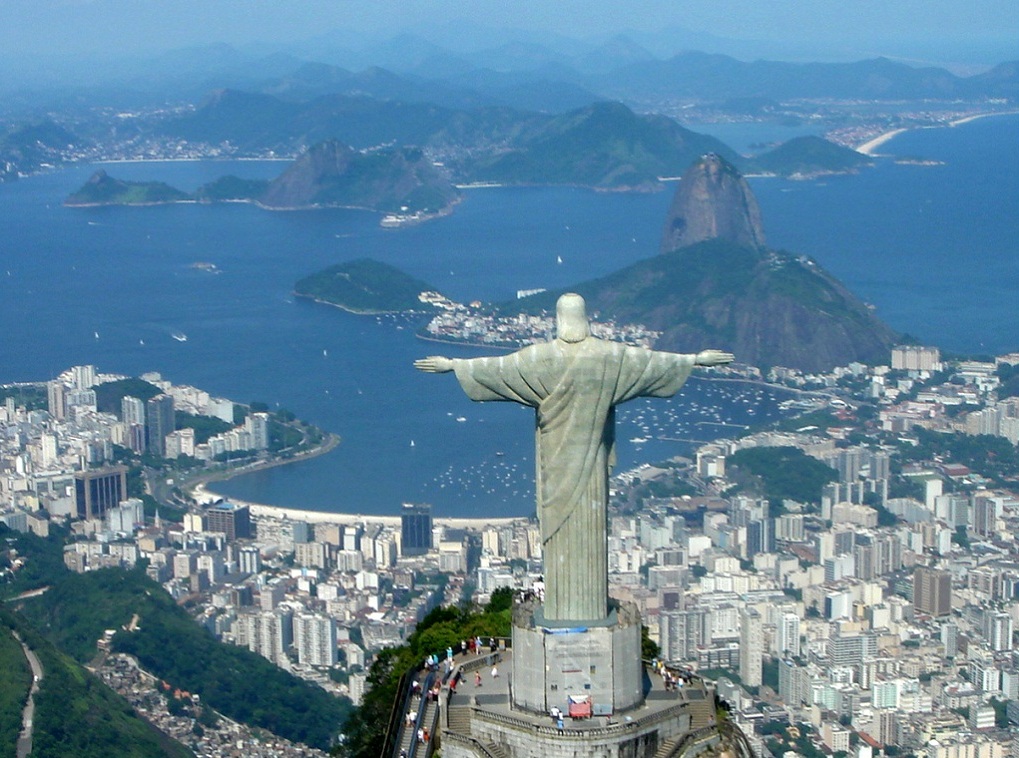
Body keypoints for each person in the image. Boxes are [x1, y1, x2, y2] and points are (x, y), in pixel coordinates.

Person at [415, 293, 732, 621]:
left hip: (554, 464)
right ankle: (586, 610)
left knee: (559, 529)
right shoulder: (608, 357)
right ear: (585, 318)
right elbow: (651, 364)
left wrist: (454, 366)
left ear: (559, 319)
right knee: (589, 526)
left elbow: (498, 369)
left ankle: (564, 610)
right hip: (592, 467)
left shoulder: (540, 359)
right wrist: (694, 359)